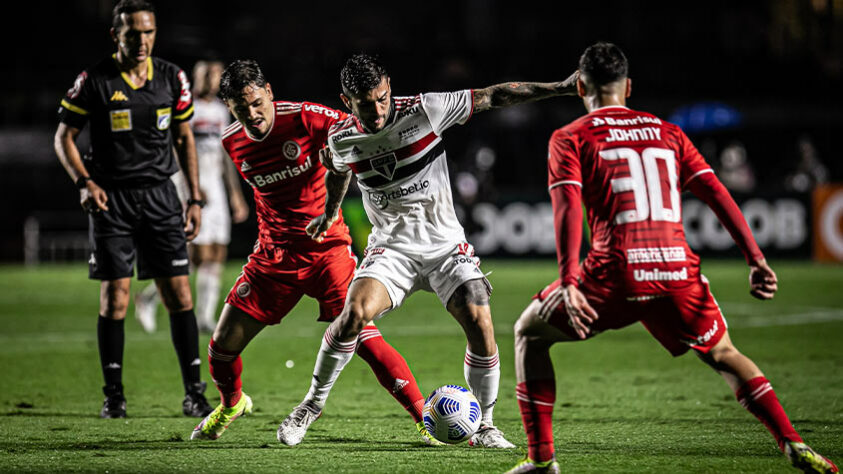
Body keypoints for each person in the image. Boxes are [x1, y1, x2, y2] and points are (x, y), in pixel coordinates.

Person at [507, 42, 837, 474]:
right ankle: (792, 442)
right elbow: (717, 193)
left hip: (616, 272)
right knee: (724, 353)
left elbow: (568, 209)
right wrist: (755, 258)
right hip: (677, 270)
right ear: (628, 86)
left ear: (581, 86)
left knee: (529, 333)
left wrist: (570, 280)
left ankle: (541, 459)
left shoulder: (570, 137)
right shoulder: (669, 133)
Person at [276, 53, 578, 448]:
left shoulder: (425, 109)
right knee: (352, 316)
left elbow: (495, 96)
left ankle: (484, 425)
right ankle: (310, 406)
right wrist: (329, 213)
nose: (377, 109)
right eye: (366, 103)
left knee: (480, 321)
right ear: (346, 101)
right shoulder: (342, 137)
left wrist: (560, 88)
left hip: (445, 247)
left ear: (389, 87)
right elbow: (336, 169)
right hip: (392, 250)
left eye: (382, 97)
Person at [189, 59, 435, 445]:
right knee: (221, 349)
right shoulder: (230, 141)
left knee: (364, 338)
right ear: (230, 109)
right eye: (241, 108)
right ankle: (232, 403)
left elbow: (360, 127)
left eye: (257, 103)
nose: (252, 114)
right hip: (273, 259)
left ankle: (426, 419)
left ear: (269, 92)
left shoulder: (306, 118)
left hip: (328, 252)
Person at [53, 0, 212, 419]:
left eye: (148, 32)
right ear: (115, 36)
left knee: (179, 293)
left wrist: (193, 197)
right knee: (116, 299)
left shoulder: (172, 77)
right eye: (132, 34)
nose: (142, 41)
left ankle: (194, 393)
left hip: (161, 197)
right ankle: (114, 396)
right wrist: (84, 183)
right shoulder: (94, 81)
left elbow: (184, 140)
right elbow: (63, 137)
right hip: (112, 200)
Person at [134, 59, 250, 334]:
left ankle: (205, 318)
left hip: (216, 188)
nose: (211, 80)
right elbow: (175, 149)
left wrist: (235, 194)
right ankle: (148, 298)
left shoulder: (222, 111)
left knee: (218, 251)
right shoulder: (187, 108)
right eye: (206, 75)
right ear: (195, 78)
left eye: (215, 76)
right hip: (192, 186)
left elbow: (224, 155)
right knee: (193, 253)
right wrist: (190, 187)